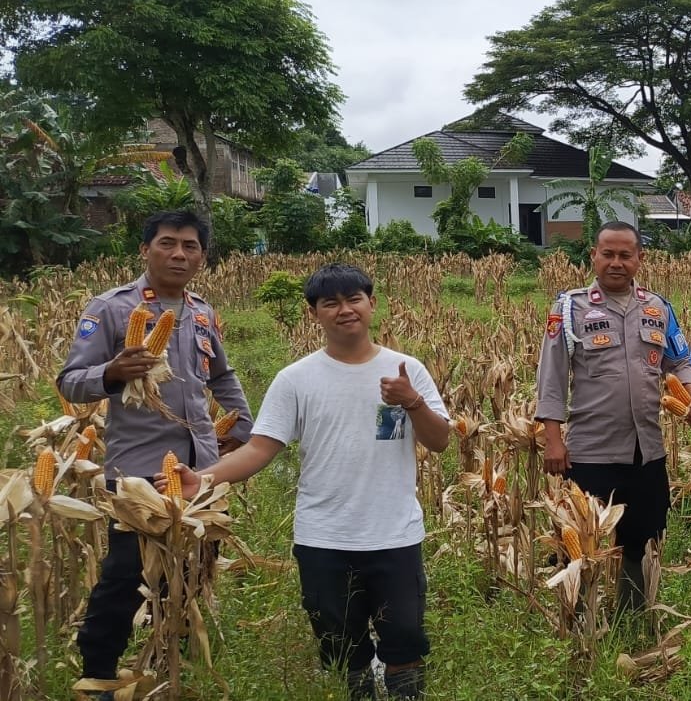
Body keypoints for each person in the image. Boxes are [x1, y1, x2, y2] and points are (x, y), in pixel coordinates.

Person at [163, 263, 450, 699]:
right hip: (324, 537)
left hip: (394, 533)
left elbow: (440, 440)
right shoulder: (296, 379)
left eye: (353, 299)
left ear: (372, 304)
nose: (344, 310)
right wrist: (201, 480)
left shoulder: (406, 370)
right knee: (342, 645)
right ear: (314, 313)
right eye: (330, 303)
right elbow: (260, 448)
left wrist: (412, 403)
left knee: (405, 639)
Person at [58, 211, 253, 696]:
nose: (179, 254)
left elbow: (221, 376)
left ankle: (172, 657)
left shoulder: (202, 311)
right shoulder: (110, 309)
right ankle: (99, 671)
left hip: (202, 470)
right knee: (125, 577)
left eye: (190, 246)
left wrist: (242, 425)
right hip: (140, 475)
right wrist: (113, 372)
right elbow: (69, 382)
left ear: (203, 257)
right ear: (145, 250)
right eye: (167, 243)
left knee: (192, 570)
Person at [535, 221, 691, 609]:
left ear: (639, 259)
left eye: (625, 255)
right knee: (580, 542)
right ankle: (578, 617)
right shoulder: (569, 309)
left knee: (643, 539)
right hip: (592, 452)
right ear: (593, 256)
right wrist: (553, 439)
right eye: (607, 254)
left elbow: (679, 361)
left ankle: (633, 614)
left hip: (647, 451)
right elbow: (552, 378)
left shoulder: (658, 308)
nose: (616, 262)